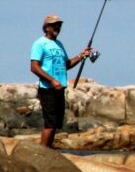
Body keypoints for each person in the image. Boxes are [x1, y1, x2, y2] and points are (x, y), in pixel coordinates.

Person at [30, 14, 91, 148]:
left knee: (56, 124)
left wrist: (81, 56)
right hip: (47, 89)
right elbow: (34, 67)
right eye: (54, 25)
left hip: (59, 88)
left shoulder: (59, 44)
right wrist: (52, 80)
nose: (57, 27)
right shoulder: (39, 43)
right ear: (46, 27)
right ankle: (43, 152)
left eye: (59, 25)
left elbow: (66, 64)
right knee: (50, 124)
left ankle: (48, 149)